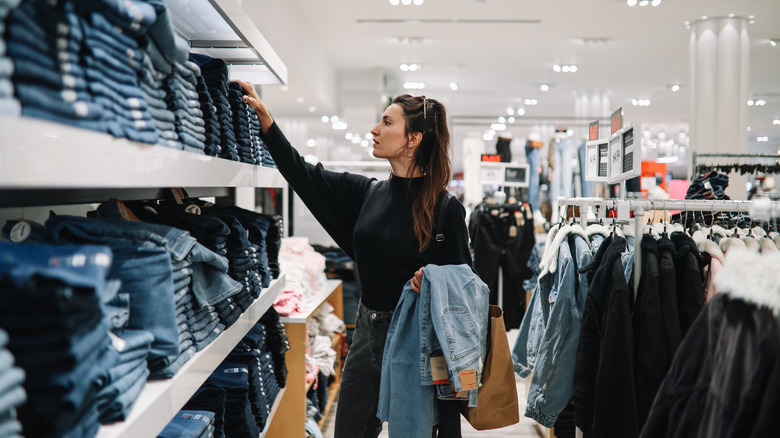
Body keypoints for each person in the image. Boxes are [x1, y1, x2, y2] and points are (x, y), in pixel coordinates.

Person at [237, 80, 473, 437]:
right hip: (367, 331)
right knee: (349, 430)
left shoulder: (446, 208)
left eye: (387, 122)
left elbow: (466, 283)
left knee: (419, 431)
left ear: (414, 139)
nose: (375, 130)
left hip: (419, 339)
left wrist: (436, 279)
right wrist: (268, 123)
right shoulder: (369, 193)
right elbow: (303, 175)